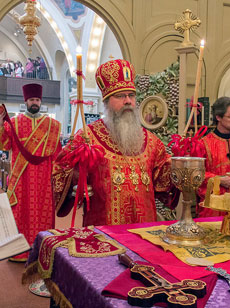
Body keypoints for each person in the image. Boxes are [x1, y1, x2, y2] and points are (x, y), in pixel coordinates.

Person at [53, 59, 179, 226]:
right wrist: (76, 181)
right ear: (106, 102)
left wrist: (182, 164)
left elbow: (164, 182)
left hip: (143, 231)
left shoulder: (151, 141)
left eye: (131, 95)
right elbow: (60, 171)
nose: (128, 101)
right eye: (120, 96)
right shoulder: (87, 138)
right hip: (104, 234)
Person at [0, 83, 62, 261]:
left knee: (43, 215)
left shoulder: (52, 125)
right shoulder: (14, 123)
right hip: (22, 179)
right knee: (21, 213)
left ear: (40, 101)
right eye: (31, 100)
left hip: (44, 179)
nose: (34, 102)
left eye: (37, 100)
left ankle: (41, 252)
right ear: (25, 101)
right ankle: (20, 252)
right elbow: (4, 145)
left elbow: (57, 155)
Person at [197, 96, 230, 217]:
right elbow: (197, 174)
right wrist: (219, 179)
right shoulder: (204, 143)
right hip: (215, 204)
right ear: (218, 117)